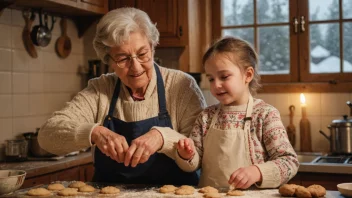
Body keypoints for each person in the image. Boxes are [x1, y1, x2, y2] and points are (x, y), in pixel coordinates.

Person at [38, 7, 206, 185]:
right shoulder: (100, 88)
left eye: (142, 54)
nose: (136, 67)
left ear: (153, 47)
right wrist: (94, 132)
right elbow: (47, 137)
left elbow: (196, 161)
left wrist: (163, 137)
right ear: (108, 60)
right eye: (122, 58)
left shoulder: (181, 86)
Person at [175, 37, 299, 189]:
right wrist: (186, 156)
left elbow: (289, 162)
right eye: (211, 79)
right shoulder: (206, 117)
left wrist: (257, 172)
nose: (216, 85)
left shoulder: (265, 115)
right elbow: (193, 164)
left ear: (248, 75)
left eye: (224, 77)